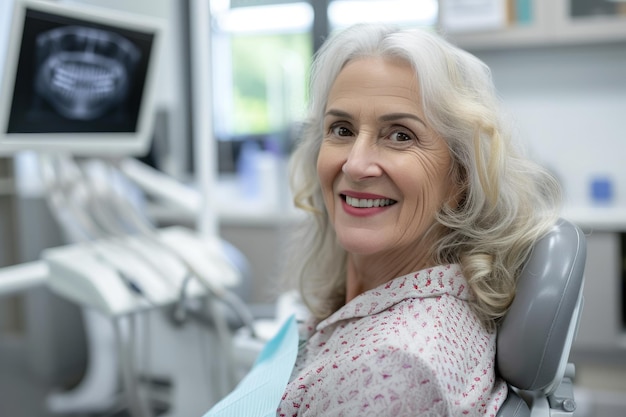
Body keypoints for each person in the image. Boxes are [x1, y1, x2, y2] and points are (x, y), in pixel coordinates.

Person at [276, 23, 562, 416]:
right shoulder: (399, 302)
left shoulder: (388, 370)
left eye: (400, 136)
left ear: (461, 175)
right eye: (341, 129)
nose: (356, 164)